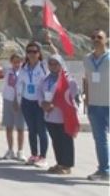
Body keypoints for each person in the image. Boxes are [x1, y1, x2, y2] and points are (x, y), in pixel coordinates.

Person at [40, 54, 79, 174]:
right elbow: (39, 93)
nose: (53, 66)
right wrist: (43, 103)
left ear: (61, 64)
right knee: (56, 140)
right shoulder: (46, 79)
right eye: (50, 63)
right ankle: (59, 163)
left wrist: (56, 104)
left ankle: (67, 165)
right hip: (50, 115)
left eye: (55, 63)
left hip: (63, 116)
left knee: (65, 140)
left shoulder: (69, 80)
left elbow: (71, 97)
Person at [17, 41, 49, 168]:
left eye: (34, 51)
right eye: (29, 51)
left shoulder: (43, 66)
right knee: (31, 130)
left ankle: (43, 157)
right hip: (26, 101)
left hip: (39, 102)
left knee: (41, 130)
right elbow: (19, 84)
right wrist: (18, 100)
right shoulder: (24, 67)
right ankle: (34, 154)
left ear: (39, 53)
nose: (31, 54)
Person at [84, 30, 109, 181]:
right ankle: (104, 170)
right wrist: (86, 96)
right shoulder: (87, 59)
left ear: (106, 39)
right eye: (93, 37)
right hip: (94, 104)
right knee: (100, 140)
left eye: (99, 37)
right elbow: (86, 79)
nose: (96, 40)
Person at [1, 53, 26, 161]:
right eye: (15, 61)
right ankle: (10, 150)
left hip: (20, 101)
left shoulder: (24, 72)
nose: (17, 64)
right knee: (9, 126)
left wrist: (18, 100)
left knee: (20, 128)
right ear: (11, 62)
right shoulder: (7, 70)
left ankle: (20, 151)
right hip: (8, 100)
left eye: (19, 61)